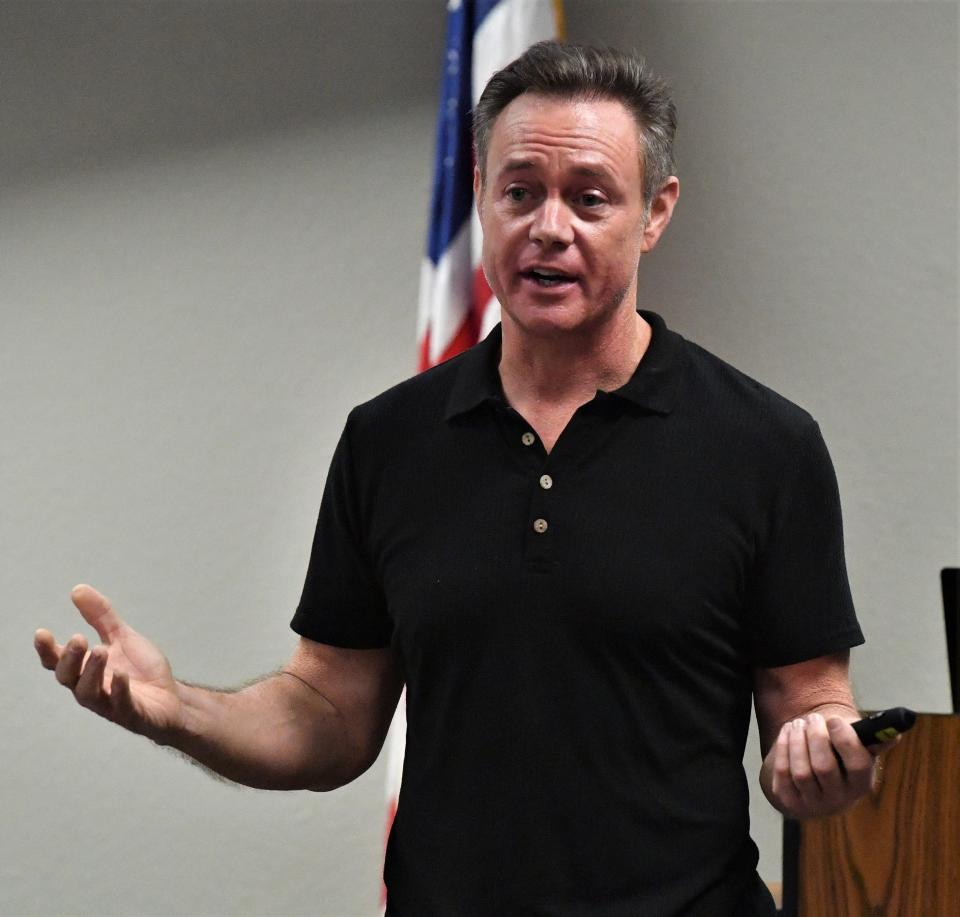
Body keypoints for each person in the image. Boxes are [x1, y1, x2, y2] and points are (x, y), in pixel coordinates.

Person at [35, 41, 888, 916]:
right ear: (480, 195)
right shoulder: (387, 440)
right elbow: (328, 711)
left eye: (590, 199)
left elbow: (810, 706)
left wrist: (822, 757)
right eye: (520, 192)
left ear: (655, 212)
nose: (548, 226)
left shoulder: (767, 446)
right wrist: (177, 708)